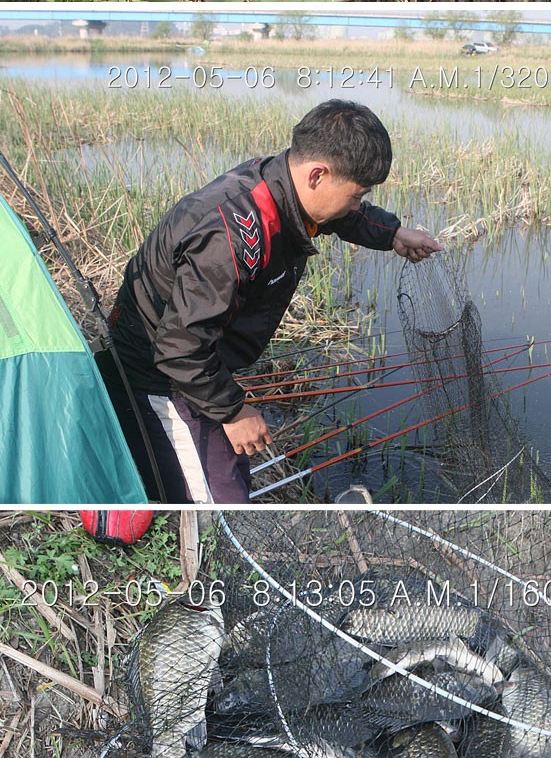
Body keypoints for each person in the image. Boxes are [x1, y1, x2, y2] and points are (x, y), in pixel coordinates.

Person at [96, 100, 440, 502]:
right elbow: (179, 348)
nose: (355, 205)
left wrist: (393, 234)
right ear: (318, 174)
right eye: (356, 195)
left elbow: (340, 215)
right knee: (221, 505)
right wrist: (233, 411)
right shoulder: (231, 235)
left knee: (232, 469)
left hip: (196, 362)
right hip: (159, 374)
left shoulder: (282, 182)